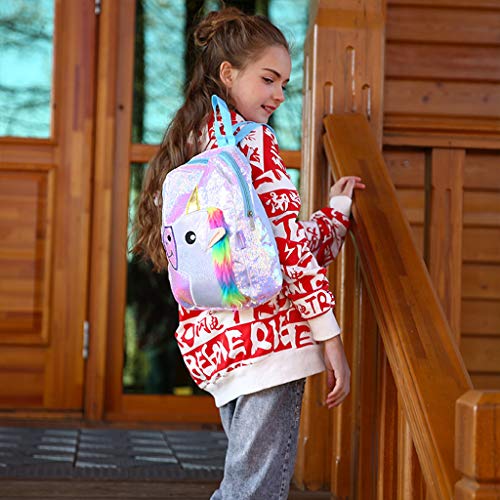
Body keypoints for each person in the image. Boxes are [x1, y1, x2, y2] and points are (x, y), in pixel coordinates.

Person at [133, 7, 365, 500]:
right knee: (251, 492)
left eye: (284, 82)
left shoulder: (187, 145)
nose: (280, 94)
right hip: (271, 345)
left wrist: (334, 214)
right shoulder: (254, 144)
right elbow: (292, 251)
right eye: (268, 79)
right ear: (227, 74)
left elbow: (255, 250)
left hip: (217, 350)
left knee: (244, 484)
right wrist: (330, 337)